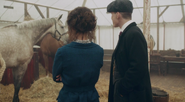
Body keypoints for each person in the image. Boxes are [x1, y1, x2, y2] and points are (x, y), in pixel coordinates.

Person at [52, 7, 104, 102]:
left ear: (72, 27)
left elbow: (55, 77)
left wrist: (64, 77)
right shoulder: (99, 51)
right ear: (91, 27)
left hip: (69, 98)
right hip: (91, 97)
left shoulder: (62, 52)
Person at [106, 0, 153, 102]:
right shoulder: (128, 33)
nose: (111, 17)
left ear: (118, 14)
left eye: (112, 14)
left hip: (132, 96)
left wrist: (122, 88)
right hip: (128, 94)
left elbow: (138, 68)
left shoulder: (134, 34)